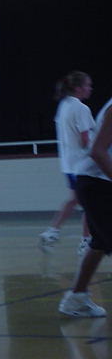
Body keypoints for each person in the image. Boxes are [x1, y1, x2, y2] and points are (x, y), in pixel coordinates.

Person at [58, 94, 112, 317]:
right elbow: (97, 151)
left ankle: (76, 299)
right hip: (97, 183)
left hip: (97, 183)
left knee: (99, 244)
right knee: (102, 242)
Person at [39, 71, 94, 254]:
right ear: (78, 88)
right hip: (82, 164)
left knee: (76, 199)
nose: (90, 88)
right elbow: (85, 140)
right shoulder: (81, 108)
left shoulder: (63, 106)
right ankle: (85, 241)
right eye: (87, 85)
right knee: (88, 203)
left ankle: (52, 232)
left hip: (68, 164)